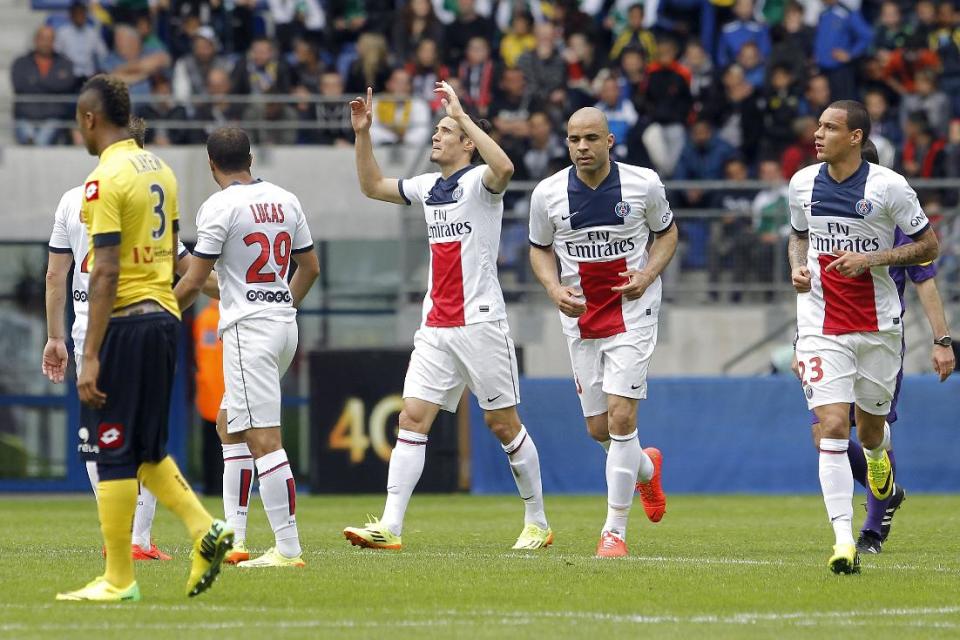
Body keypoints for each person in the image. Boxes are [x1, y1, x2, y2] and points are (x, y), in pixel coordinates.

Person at [343, 81, 552, 551]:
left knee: (503, 424)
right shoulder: (427, 187)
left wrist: (463, 114)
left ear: (466, 143)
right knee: (412, 419)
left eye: (445, 131)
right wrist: (363, 134)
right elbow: (373, 186)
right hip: (436, 326)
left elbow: (505, 166)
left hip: (480, 322)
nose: (436, 136)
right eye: (436, 129)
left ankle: (537, 521)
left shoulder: (480, 183)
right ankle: (390, 526)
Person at [56, 75, 232, 602]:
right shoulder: (162, 170)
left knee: (111, 449)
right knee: (147, 449)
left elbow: (104, 271)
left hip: (126, 323)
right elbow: (177, 255)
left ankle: (118, 578)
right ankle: (205, 528)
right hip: (163, 318)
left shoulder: (102, 180)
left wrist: (90, 353)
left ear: (90, 119)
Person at [787, 100, 939, 575]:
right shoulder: (801, 183)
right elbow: (798, 235)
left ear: (855, 137)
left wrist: (870, 260)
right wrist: (796, 264)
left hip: (877, 327)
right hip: (820, 325)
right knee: (831, 427)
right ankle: (843, 540)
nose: (818, 134)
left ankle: (878, 464)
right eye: (818, 126)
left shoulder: (889, 187)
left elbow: (929, 247)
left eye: (830, 127)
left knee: (871, 433)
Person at [528, 107, 675, 558]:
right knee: (598, 429)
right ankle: (646, 467)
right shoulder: (548, 193)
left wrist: (646, 276)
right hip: (581, 316)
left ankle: (614, 532)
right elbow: (539, 249)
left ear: (610, 141)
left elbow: (667, 235)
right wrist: (553, 288)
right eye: (574, 139)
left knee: (621, 417)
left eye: (591, 138)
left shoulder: (643, 183)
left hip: (632, 312)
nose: (582, 147)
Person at [175, 127, 320, 568]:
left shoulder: (217, 206)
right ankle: (235, 537)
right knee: (228, 425)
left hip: (248, 332)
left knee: (263, 439)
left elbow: (196, 280)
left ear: (210, 163)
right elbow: (310, 268)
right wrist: (278, 304)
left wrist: (161, 314)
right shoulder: (286, 199)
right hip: (282, 327)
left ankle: (288, 548)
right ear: (251, 159)